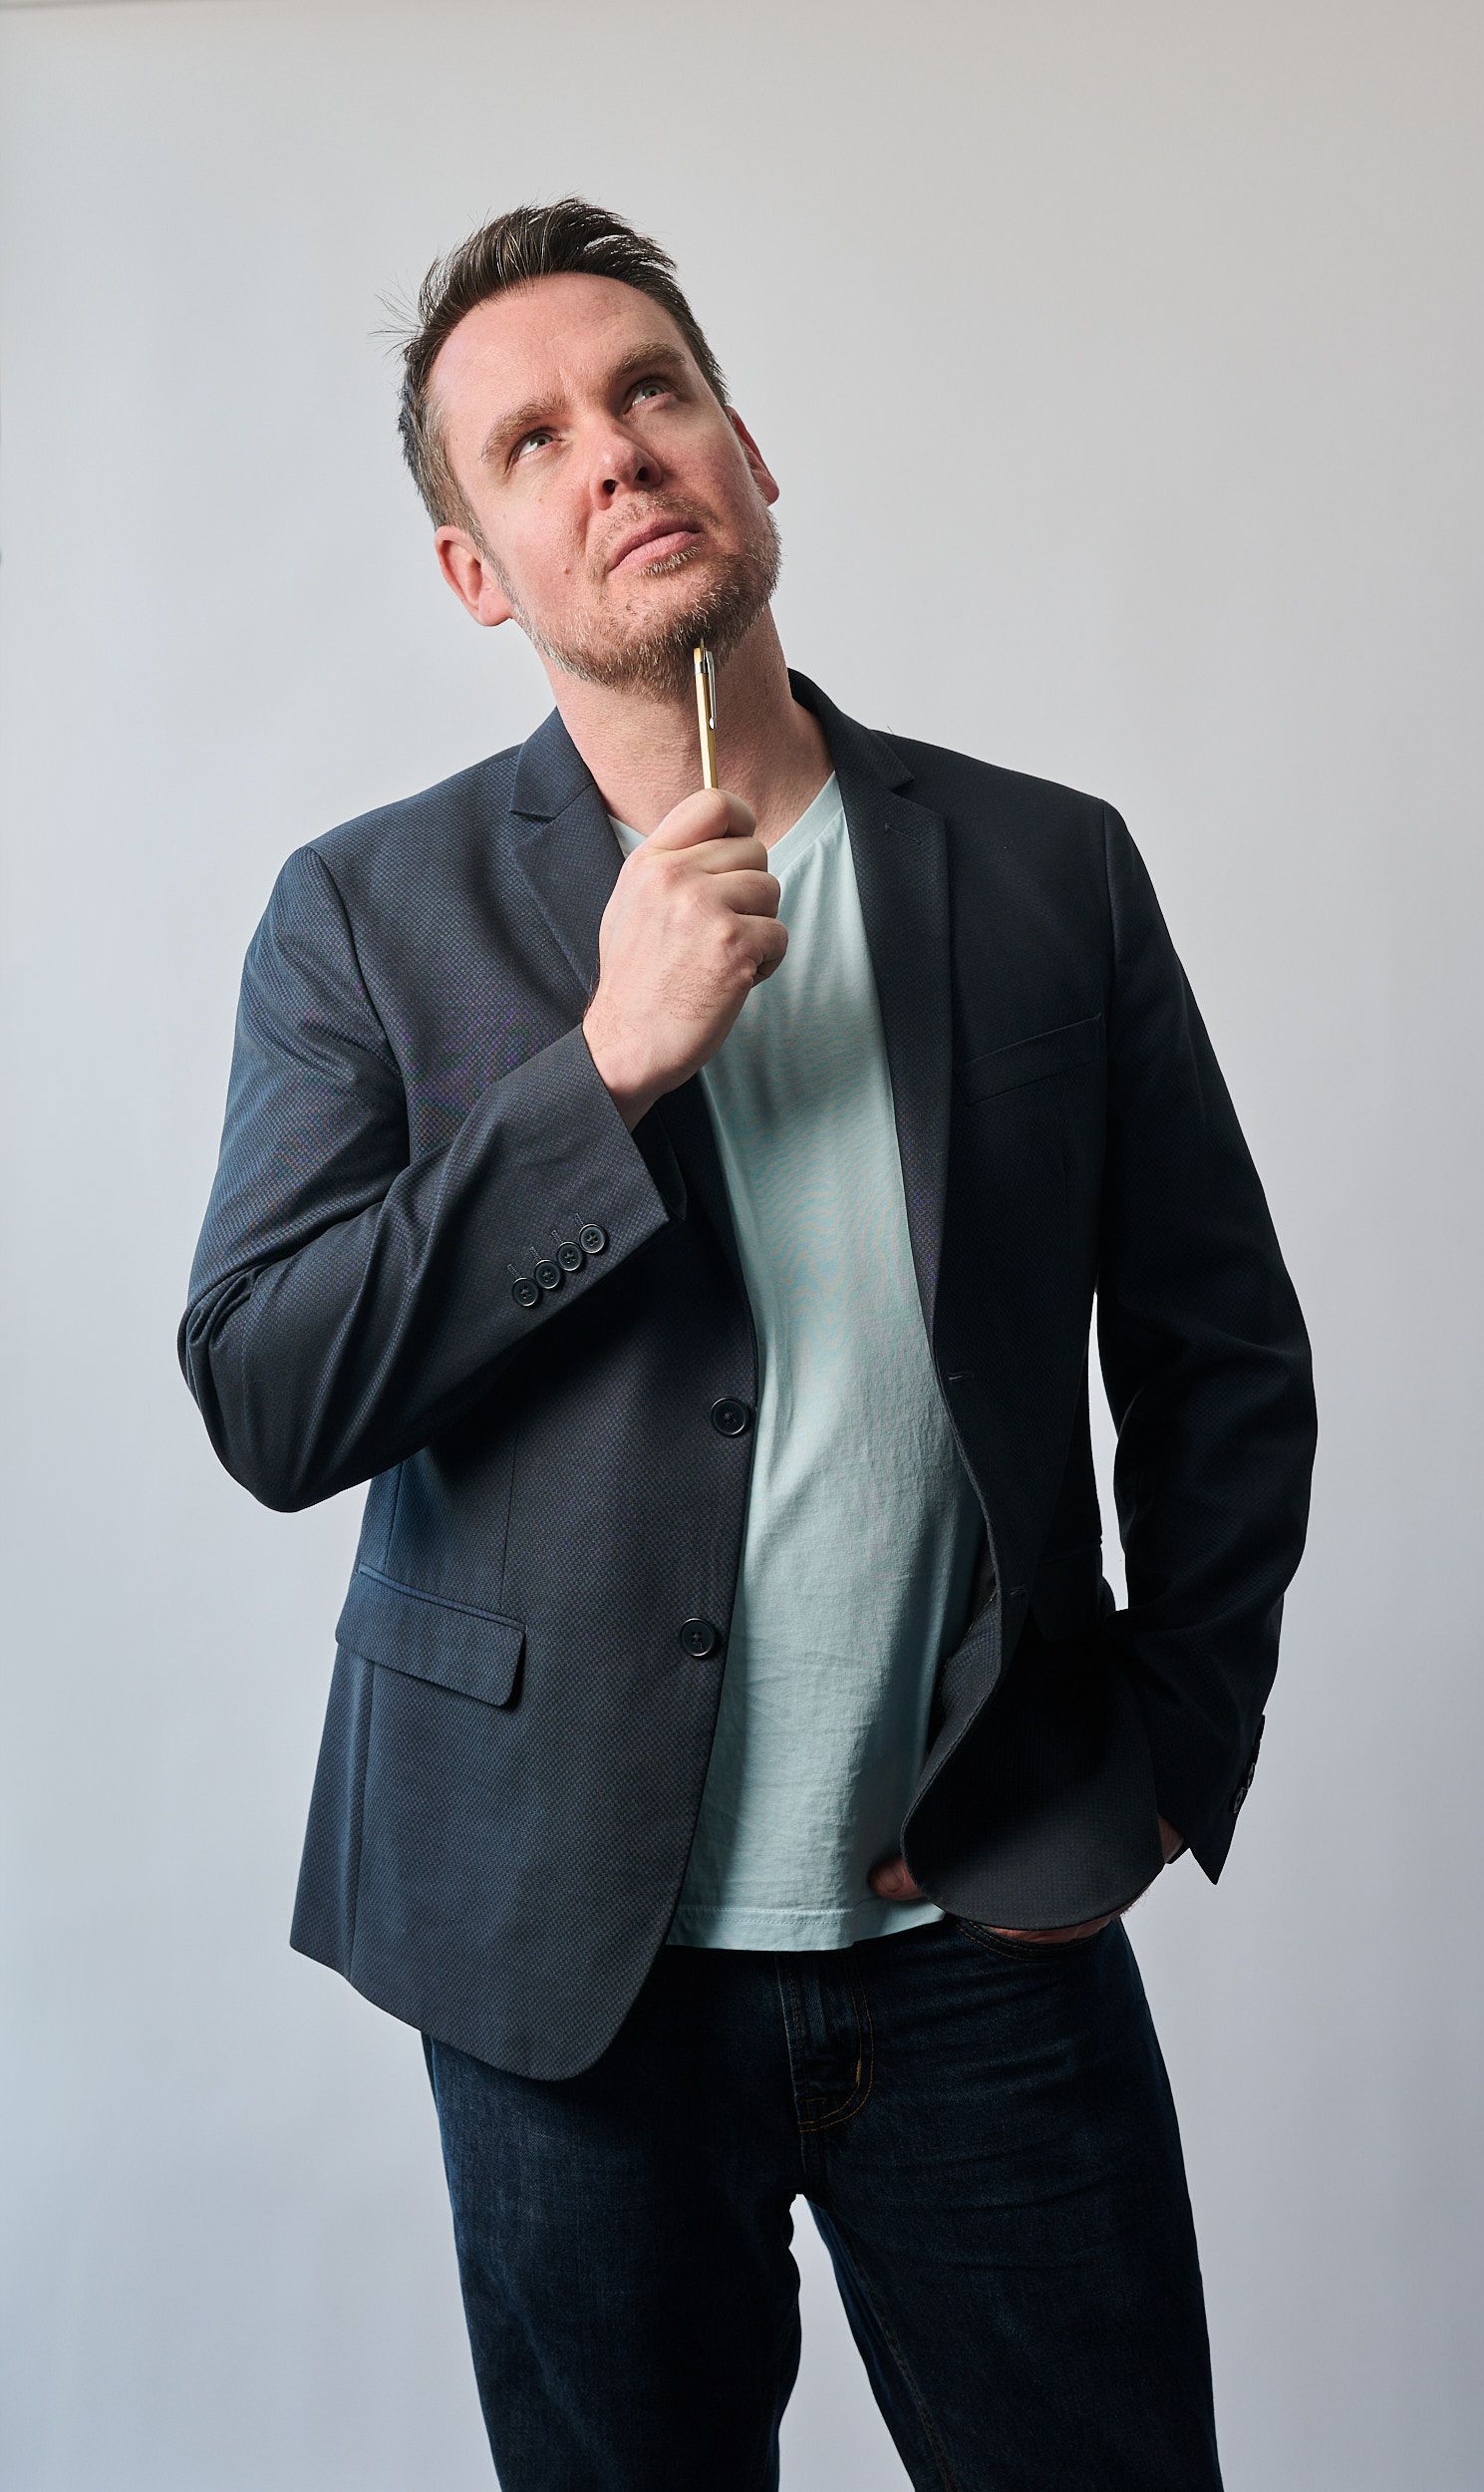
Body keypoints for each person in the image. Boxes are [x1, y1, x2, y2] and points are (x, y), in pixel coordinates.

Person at [178, 194, 1318, 2490]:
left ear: (748, 453)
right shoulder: (362, 915)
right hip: (557, 1970)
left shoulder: (1047, 868)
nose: (612, 449)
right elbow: (273, 1389)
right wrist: (600, 1068)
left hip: (983, 1919)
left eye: (652, 391)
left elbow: (1225, 1358)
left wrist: (1165, 1754)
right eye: (531, 441)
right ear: (475, 572)